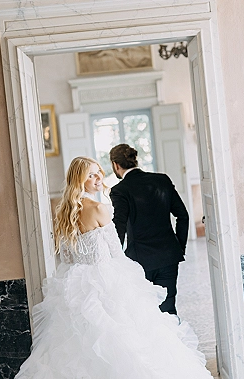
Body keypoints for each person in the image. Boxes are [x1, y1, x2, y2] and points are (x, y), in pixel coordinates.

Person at [15, 156, 212, 379]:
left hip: (75, 283)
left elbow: (67, 258)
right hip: (105, 278)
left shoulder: (63, 213)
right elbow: (116, 253)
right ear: (79, 180)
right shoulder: (99, 208)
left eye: (98, 171)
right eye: (91, 174)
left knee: (80, 343)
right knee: (129, 339)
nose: (99, 177)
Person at [109, 144, 189, 316]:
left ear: (115, 165)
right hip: (168, 256)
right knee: (168, 309)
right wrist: (178, 247)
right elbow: (183, 216)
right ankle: (174, 343)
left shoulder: (120, 190)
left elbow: (119, 228)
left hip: (139, 261)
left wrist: (116, 259)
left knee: (143, 313)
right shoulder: (162, 180)